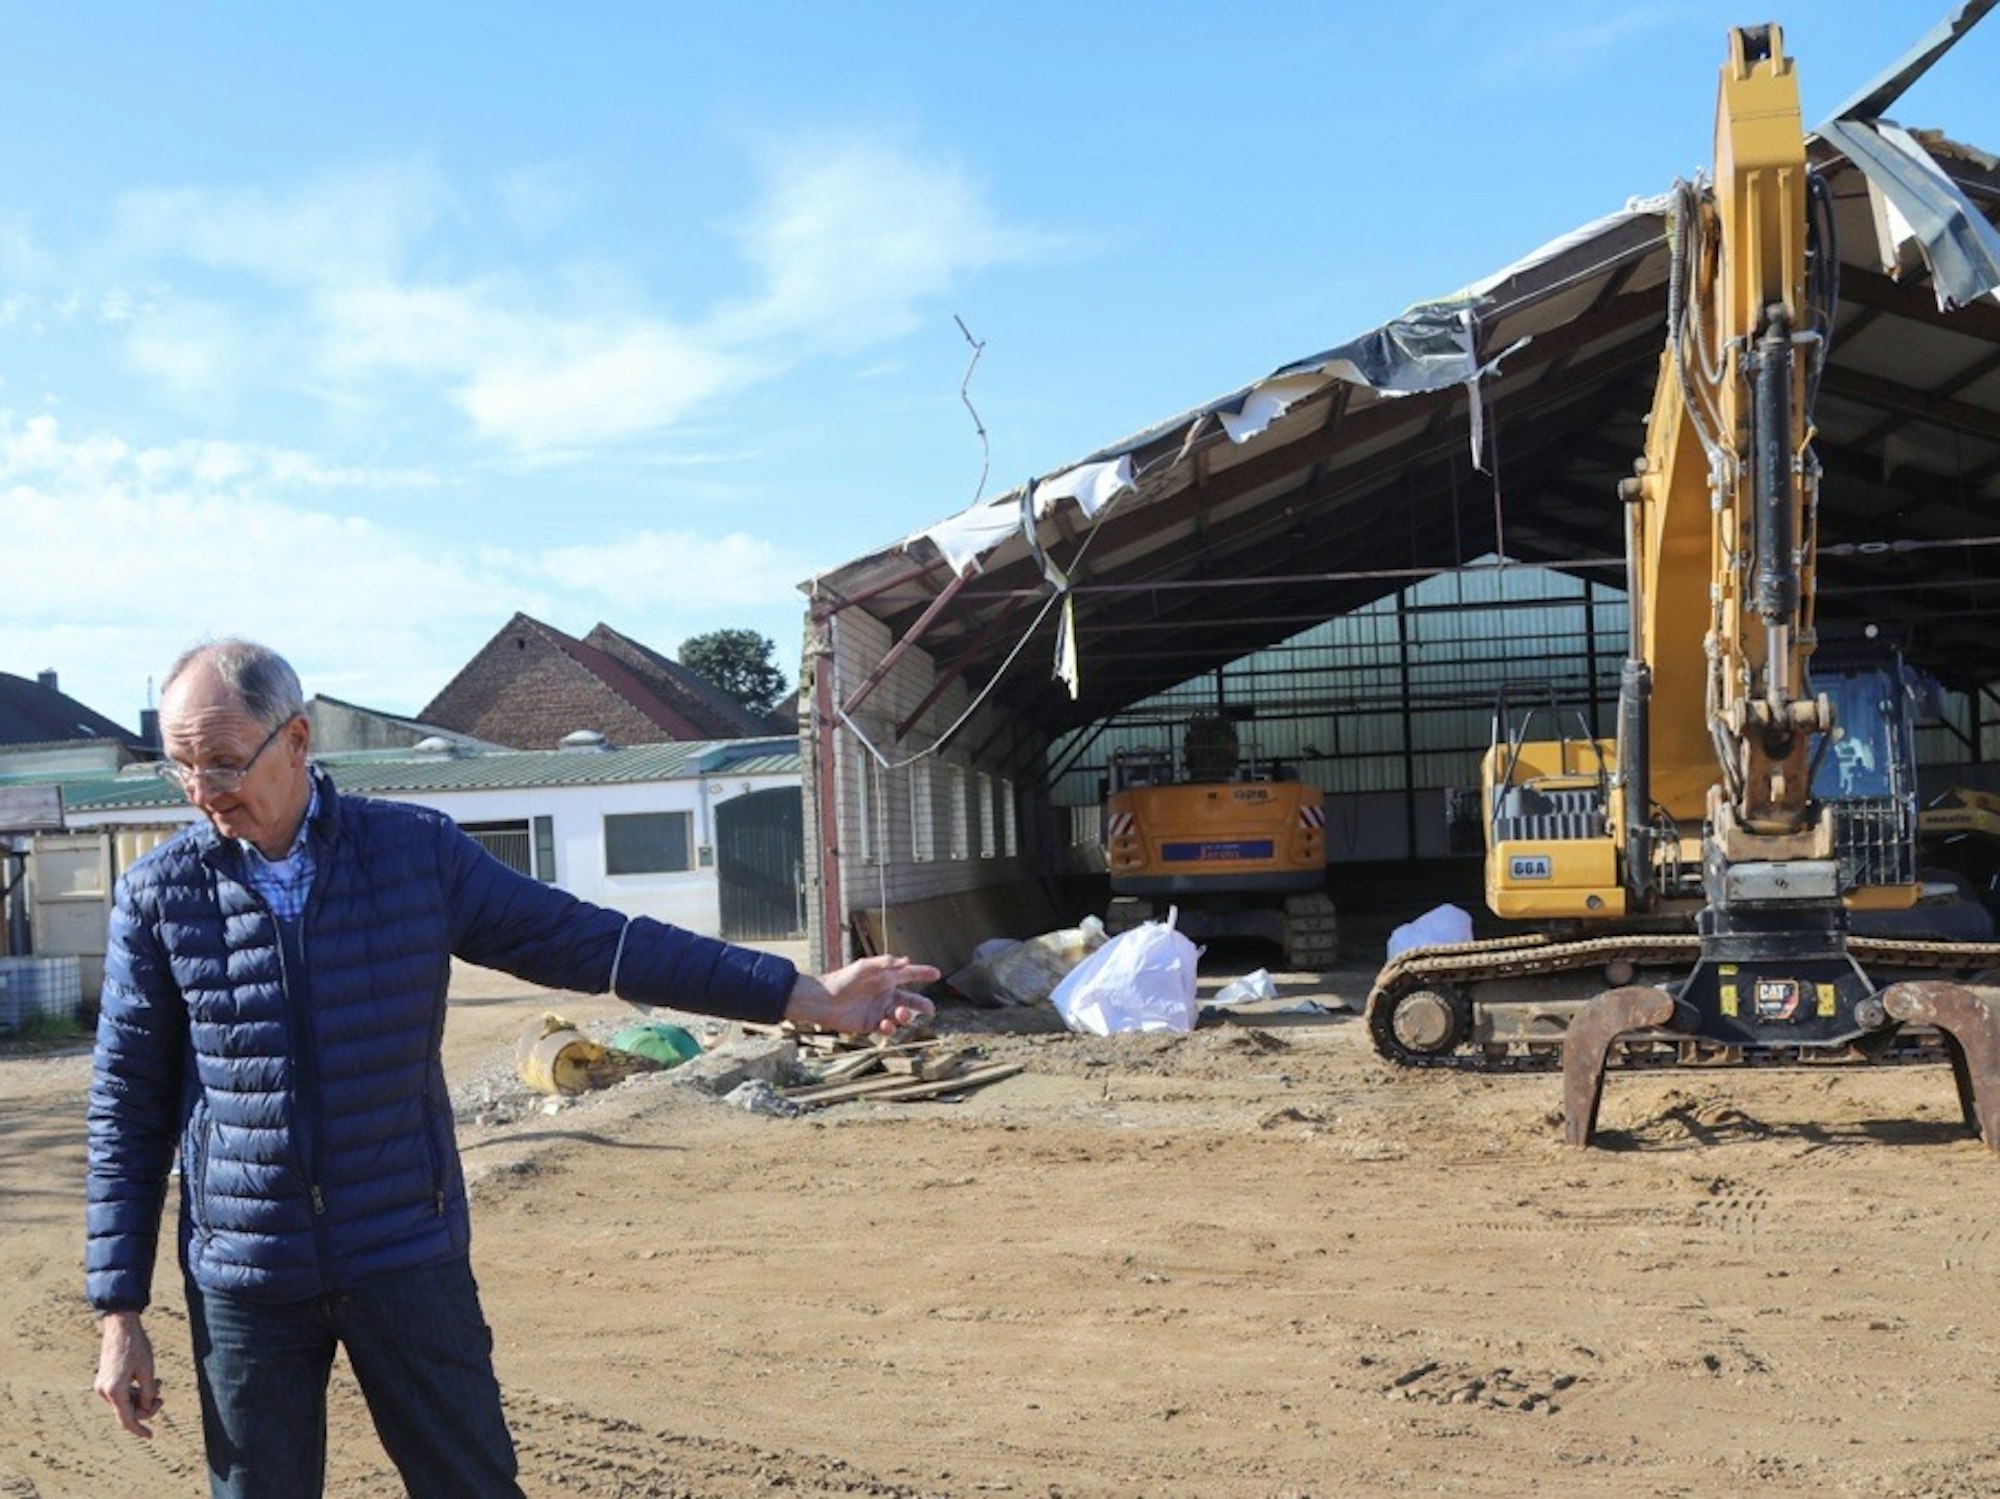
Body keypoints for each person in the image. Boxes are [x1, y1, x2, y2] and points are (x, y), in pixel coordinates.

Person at [86, 638, 938, 1497]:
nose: (202, 789)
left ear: (297, 739)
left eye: (223, 761)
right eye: (180, 766)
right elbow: (128, 1107)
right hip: (248, 1275)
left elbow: (595, 942)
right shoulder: (162, 895)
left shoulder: (412, 854)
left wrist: (800, 994)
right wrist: (119, 1311)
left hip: (403, 1253)